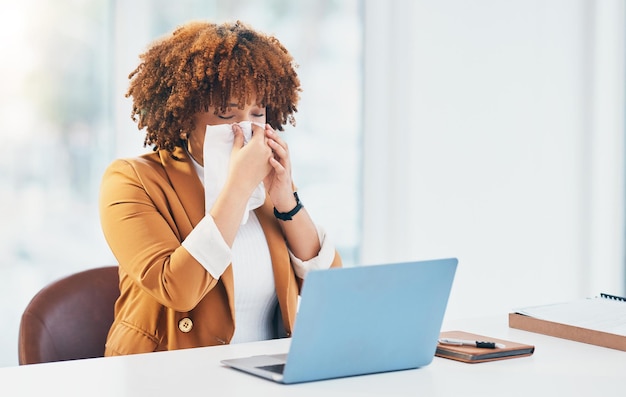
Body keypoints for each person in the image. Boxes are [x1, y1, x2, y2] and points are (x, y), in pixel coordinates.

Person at [99, 20, 342, 356]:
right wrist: (238, 187)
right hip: (164, 376)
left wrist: (286, 200)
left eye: (257, 113)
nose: (246, 127)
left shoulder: (265, 182)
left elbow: (332, 291)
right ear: (185, 116)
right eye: (227, 115)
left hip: (264, 373)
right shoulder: (131, 180)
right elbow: (179, 290)